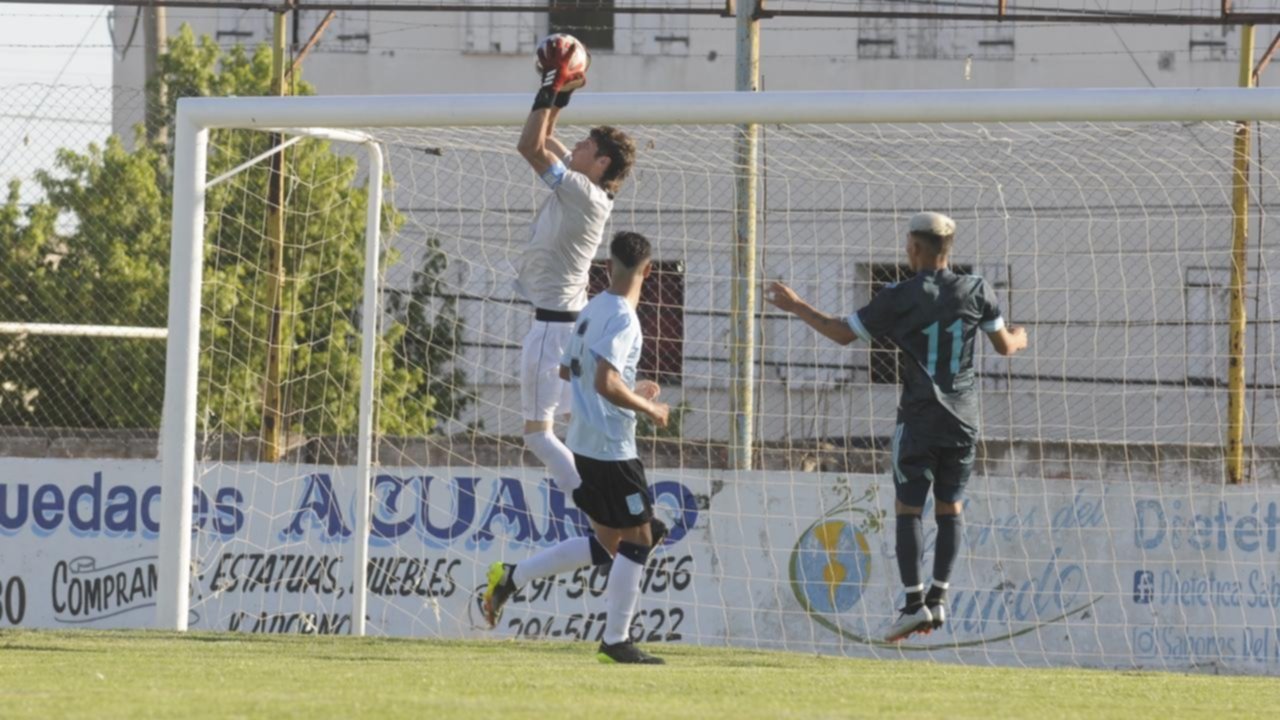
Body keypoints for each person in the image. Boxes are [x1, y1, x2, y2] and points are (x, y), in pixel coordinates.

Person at [765, 211, 1028, 643]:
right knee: (950, 509)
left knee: (909, 509)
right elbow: (1006, 346)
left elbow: (840, 333)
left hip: (920, 419)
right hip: (964, 420)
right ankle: (939, 598)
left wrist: (795, 305)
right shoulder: (978, 289)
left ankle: (913, 603)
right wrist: (1021, 334)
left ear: (914, 249)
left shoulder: (899, 295)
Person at [486, 231, 671, 665]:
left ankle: (512, 576)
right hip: (612, 447)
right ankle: (616, 641)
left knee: (609, 543)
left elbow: (571, 373)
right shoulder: (624, 318)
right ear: (647, 270)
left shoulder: (592, 308)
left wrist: (631, 387)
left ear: (607, 267)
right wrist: (648, 406)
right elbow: (605, 382)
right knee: (641, 536)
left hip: (583, 442)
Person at [514, 35, 637, 499]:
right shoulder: (587, 188)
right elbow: (545, 139)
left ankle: (593, 501)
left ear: (602, 162)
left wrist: (550, 84)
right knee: (577, 428)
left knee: (538, 435)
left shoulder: (584, 194)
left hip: (554, 330)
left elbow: (529, 145)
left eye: (586, 145)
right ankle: (610, 495)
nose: (577, 147)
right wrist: (562, 93)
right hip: (570, 326)